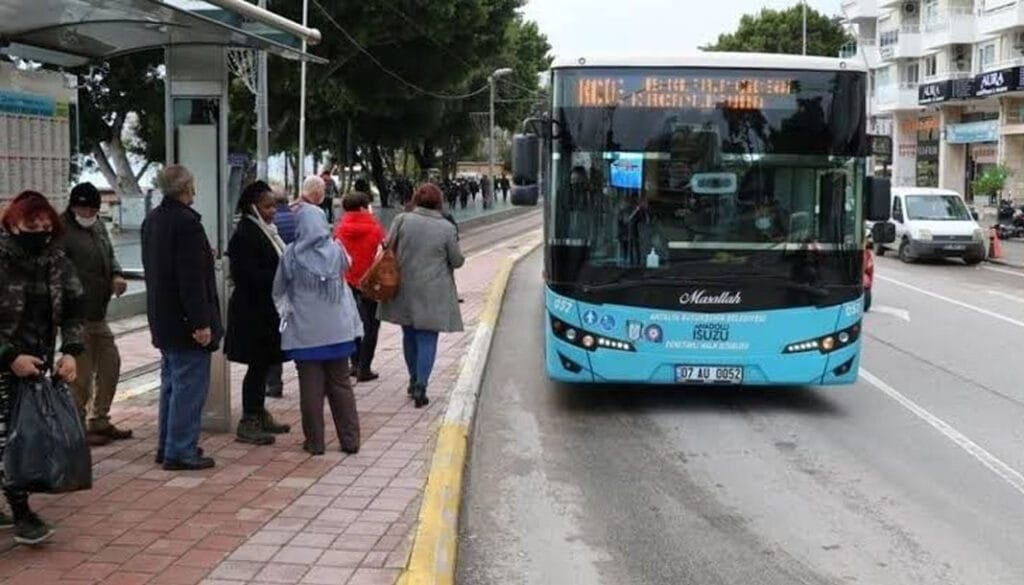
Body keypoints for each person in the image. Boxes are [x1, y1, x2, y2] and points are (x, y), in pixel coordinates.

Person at [0, 191, 85, 545]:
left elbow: (74, 309)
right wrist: (8, 356)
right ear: (12, 223)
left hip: (37, 364)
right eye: (31, 224)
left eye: (45, 223)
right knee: (10, 438)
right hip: (7, 361)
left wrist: (71, 351)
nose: (39, 229)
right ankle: (22, 513)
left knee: (24, 432)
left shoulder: (57, 261)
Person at [142, 165, 221, 471]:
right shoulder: (188, 224)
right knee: (189, 388)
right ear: (187, 187)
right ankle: (181, 450)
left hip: (162, 316)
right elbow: (191, 278)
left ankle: (168, 444)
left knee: (171, 384)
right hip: (185, 321)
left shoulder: (153, 220)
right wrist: (201, 323)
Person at [273, 203, 362, 456]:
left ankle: (315, 442)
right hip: (338, 331)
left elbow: (278, 289)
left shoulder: (291, 254)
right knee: (341, 385)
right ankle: (350, 440)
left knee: (310, 389)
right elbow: (348, 269)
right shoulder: (336, 250)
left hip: (305, 333)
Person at [57, 182, 132, 448]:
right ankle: (76, 427)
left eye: (92, 209)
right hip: (76, 316)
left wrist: (117, 274)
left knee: (111, 363)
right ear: (73, 205)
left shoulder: (98, 226)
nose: (88, 214)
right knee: (81, 375)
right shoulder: (61, 230)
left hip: (99, 313)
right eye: (83, 208)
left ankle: (99, 418)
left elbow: (109, 255)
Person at [379, 184, 465, 408]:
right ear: (439, 202)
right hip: (433, 292)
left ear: (415, 199)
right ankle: (422, 386)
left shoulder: (402, 220)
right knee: (427, 338)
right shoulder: (446, 227)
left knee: (409, 335)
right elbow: (456, 260)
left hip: (404, 289)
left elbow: (388, 245)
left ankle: (412, 378)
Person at [225, 181, 292, 446]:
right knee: (257, 365)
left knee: (263, 365)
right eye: (267, 206)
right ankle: (249, 419)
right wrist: (280, 276)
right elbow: (246, 275)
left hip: (266, 311)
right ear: (253, 207)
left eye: (274, 205)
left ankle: (258, 411)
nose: (273, 211)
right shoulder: (245, 234)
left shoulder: (267, 231)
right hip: (253, 312)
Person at [334, 191, 385, 382]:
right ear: (364, 207)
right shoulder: (375, 227)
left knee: (350, 322)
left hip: (346, 280)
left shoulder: (340, 228)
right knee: (371, 324)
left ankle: (354, 363)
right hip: (370, 281)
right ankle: (365, 367)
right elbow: (382, 251)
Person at [266, 185, 296, 399]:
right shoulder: (297, 220)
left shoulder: (270, 224)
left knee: (275, 331)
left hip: (274, 284)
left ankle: (274, 382)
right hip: (295, 283)